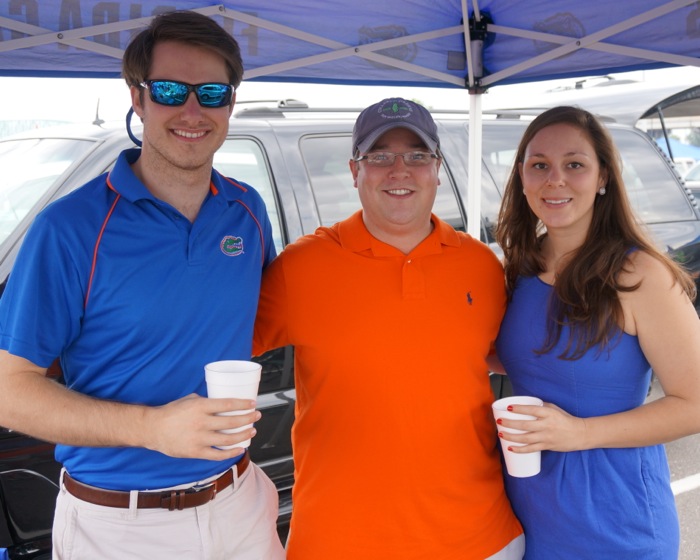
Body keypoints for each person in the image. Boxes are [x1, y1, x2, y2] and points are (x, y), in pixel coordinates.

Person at [0, 10, 284, 560]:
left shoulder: (247, 210)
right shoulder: (70, 229)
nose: (193, 110)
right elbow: (9, 392)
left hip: (239, 503)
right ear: (139, 97)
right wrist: (152, 428)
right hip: (119, 523)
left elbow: (277, 313)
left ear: (231, 101)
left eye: (213, 92)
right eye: (172, 90)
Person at [254, 97, 524, 559]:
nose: (400, 170)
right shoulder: (301, 268)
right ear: (354, 170)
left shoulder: (481, 266)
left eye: (417, 156)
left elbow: (518, 358)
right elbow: (208, 346)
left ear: (437, 169)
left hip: (480, 540)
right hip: (340, 543)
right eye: (379, 156)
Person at [493, 105, 700, 559]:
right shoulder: (520, 267)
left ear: (603, 176)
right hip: (526, 510)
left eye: (575, 165)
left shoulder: (640, 274)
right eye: (539, 165)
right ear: (522, 177)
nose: (556, 179)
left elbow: (695, 405)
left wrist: (579, 433)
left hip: (614, 521)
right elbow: (522, 354)